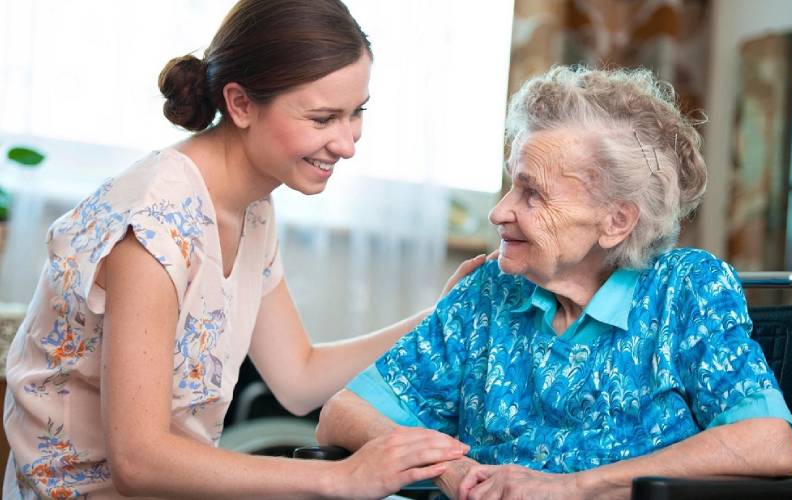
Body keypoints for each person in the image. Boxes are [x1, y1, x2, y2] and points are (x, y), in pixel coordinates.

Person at [3, 1, 479, 498]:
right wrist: (340, 477)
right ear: (241, 104)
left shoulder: (250, 207)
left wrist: (441, 316)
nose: (347, 143)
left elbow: (298, 377)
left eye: (356, 112)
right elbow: (138, 461)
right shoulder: (152, 225)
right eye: (322, 118)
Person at [316, 65, 792, 500]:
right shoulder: (490, 290)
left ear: (616, 221)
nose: (499, 211)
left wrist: (573, 489)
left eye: (532, 193)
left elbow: (765, 441)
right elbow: (343, 414)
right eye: (511, 184)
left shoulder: (686, 289)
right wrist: (455, 470)